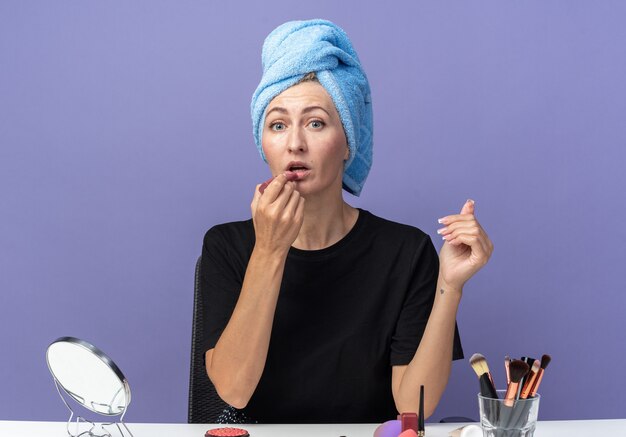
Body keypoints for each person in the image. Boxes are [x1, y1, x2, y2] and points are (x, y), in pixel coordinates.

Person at [200, 19, 493, 424]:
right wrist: (268, 249)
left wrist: (450, 285)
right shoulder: (226, 246)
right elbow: (234, 389)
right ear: (262, 143)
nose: (295, 143)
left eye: (316, 122)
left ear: (348, 142)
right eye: (278, 124)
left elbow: (412, 407)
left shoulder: (405, 252)